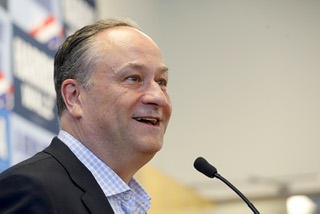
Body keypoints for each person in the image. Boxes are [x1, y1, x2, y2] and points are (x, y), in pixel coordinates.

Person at [0, 18, 172, 213]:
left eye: (161, 82)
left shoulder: (128, 203)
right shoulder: (31, 191)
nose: (158, 97)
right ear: (74, 97)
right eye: (133, 78)